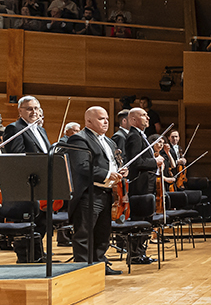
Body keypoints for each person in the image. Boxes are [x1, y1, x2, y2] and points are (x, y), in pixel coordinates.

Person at [55, 106, 124, 275]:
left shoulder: (109, 141)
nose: (106, 122)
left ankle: (100, 266)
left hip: (107, 193)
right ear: (89, 121)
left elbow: (112, 163)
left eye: (107, 118)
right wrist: (107, 174)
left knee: (103, 233)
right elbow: (81, 166)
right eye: (101, 119)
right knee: (84, 234)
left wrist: (121, 170)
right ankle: (83, 271)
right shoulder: (79, 139)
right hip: (89, 194)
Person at [0, 95, 53, 262]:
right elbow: (17, 156)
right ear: (20, 111)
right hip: (27, 183)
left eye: (36, 108)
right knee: (32, 219)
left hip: (43, 181)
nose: (34, 112)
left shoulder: (40, 130)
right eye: (29, 109)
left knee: (43, 220)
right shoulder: (14, 128)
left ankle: (37, 253)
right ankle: (27, 256)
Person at [112, 107, 158, 264]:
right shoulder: (134, 137)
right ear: (133, 120)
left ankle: (140, 253)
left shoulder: (140, 135)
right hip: (140, 186)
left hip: (146, 185)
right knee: (140, 219)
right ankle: (135, 255)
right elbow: (136, 162)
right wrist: (155, 162)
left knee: (146, 219)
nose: (148, 118)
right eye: (144, 115)